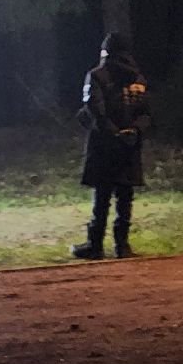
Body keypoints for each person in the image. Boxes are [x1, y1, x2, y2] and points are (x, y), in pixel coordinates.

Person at [71, 32, 151, 260]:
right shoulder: (138, 79)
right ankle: (122, 245)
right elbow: (146, 113)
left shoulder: (95, 76)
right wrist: (133, 132)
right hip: (130, 146)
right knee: (125, 196)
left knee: (102, 196)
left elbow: (95, 110)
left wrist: (113, 133)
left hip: (104, 144)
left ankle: (95, 245)